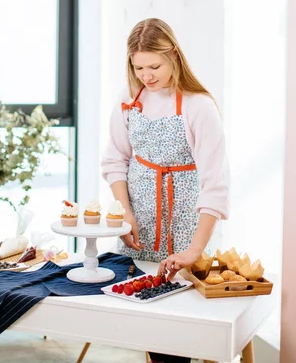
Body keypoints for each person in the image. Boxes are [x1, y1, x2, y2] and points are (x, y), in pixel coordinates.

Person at [101, 18, 230, 363]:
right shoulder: (129, 100)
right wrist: (125, 215)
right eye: (138, 66)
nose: (146, 75)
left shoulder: (198, 106)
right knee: (148, 324)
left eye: (154, 65)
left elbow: (216, 185)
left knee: (180, 334)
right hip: (140, 226)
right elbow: (115, 162)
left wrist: (195, 249)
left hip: (188, 230)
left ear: (173, 54)